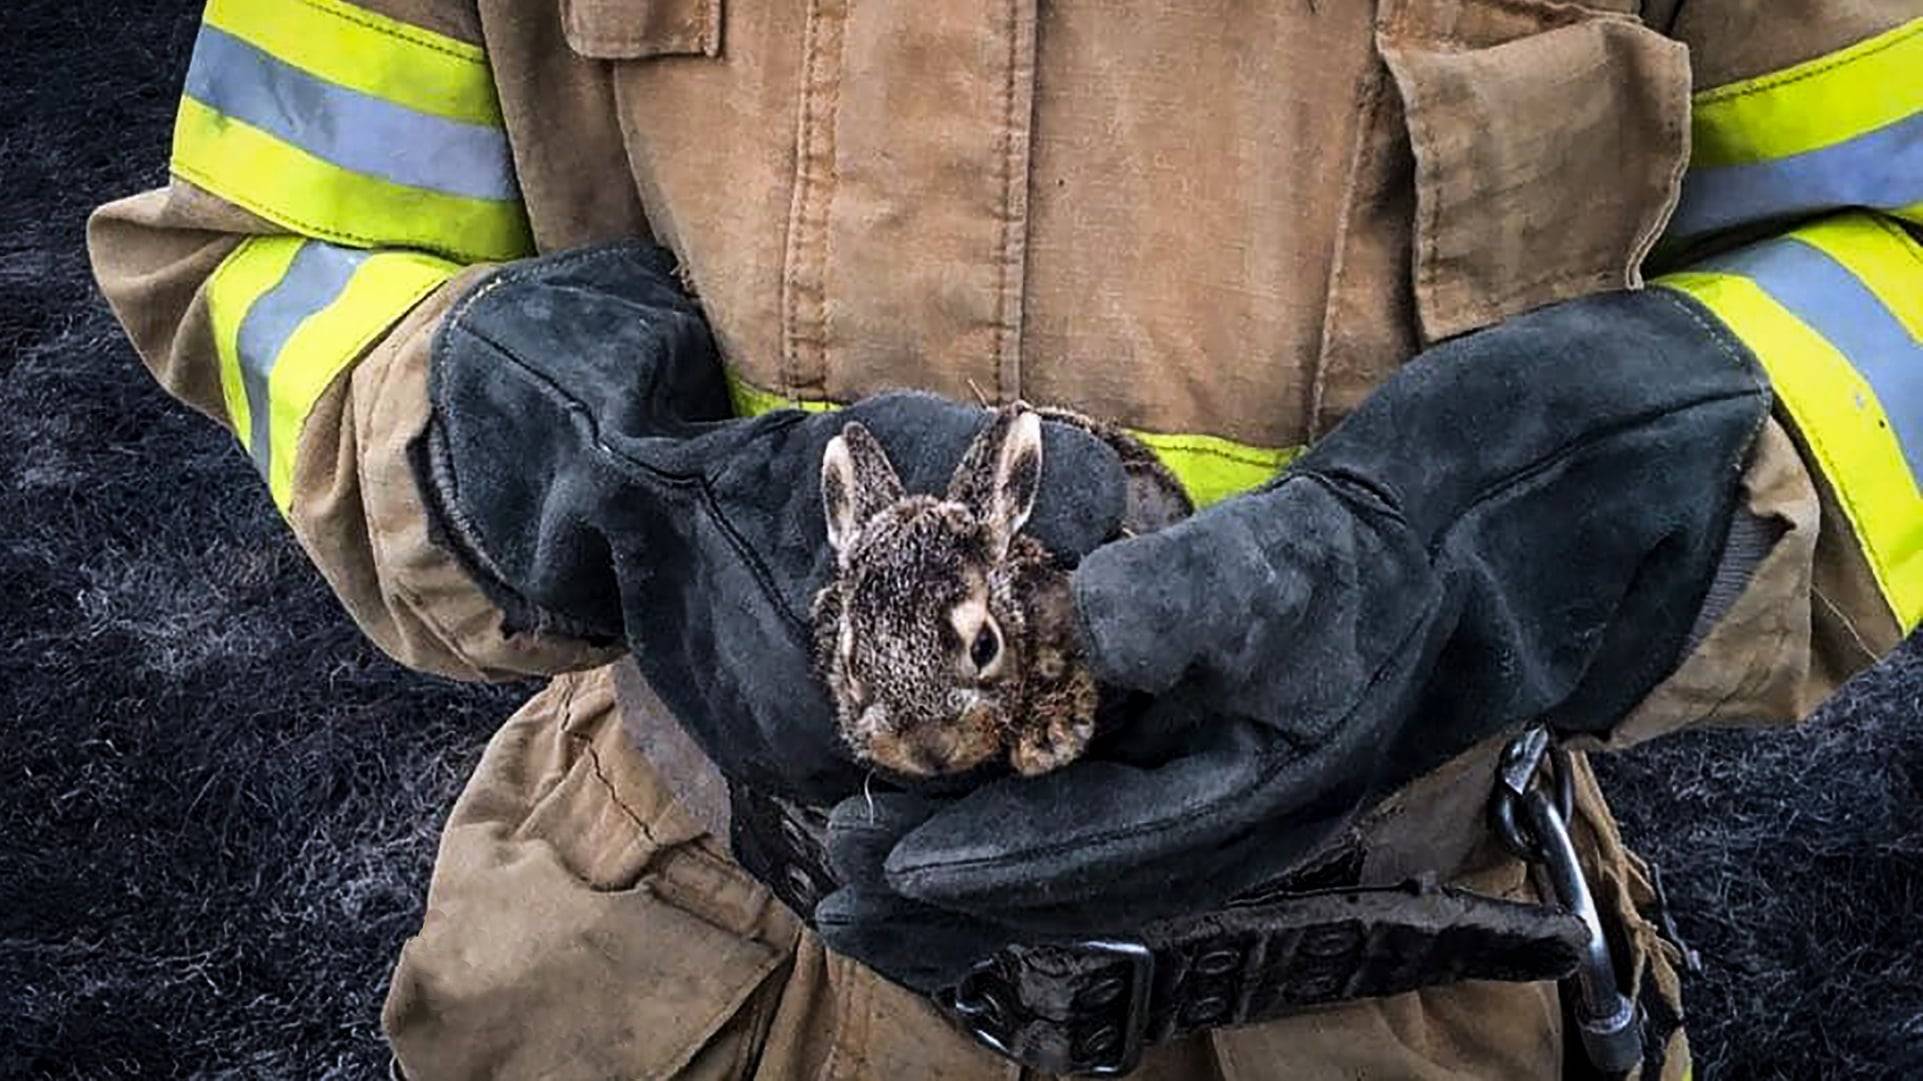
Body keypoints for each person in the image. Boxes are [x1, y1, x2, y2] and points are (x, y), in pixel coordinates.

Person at [90, 0, 1922, 1075]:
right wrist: (553, 456)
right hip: (682, 972)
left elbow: (1889, 257)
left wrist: (1539, 536)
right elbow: (274, 247)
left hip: (1413, 978)